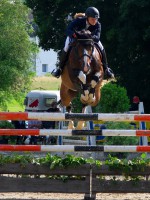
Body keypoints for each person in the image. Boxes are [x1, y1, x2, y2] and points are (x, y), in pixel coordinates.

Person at [51, 6, 114, 79]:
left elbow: (97, 38)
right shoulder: (79, 20)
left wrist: (89, 36)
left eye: (96, 19)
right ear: (87, 17)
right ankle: (59, 68)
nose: (94, 21)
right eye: (92, 19)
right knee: (66, 47)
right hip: (76, 38)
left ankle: (106, 69)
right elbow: (68, 29)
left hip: (89, 40)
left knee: (101, 47)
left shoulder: (98, 25)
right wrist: (73, 34)